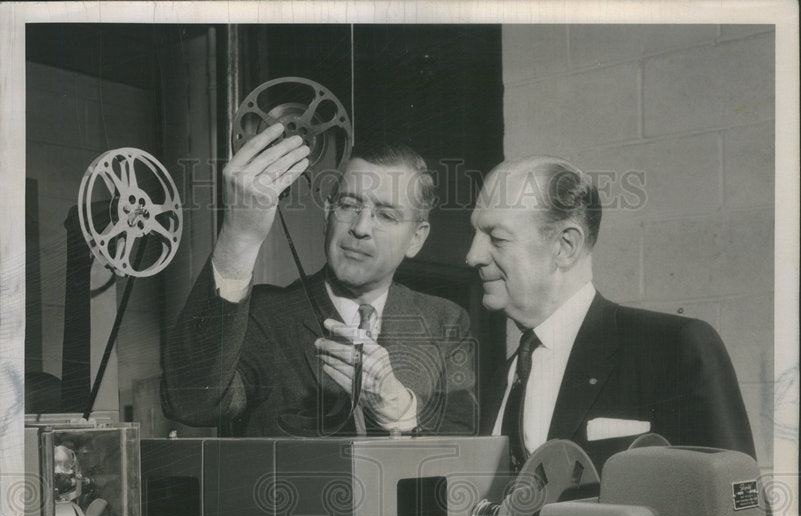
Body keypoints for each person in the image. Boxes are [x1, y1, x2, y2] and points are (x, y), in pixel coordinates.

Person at [162, 127, 476, 436]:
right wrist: (238, 237)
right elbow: (192, 404)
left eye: (386, 215)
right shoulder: (266, 316)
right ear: (328, 211)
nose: (361, 227)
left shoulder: (445, 321)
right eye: (349, 205)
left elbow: (467, 444)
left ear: (416, 239)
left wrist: (402, 410)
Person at [467, 155, 755, 470]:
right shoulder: (501, 380)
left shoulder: (673, 349)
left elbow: (735, 508)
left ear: (566, 246)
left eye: (497, 238)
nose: (472, 256)